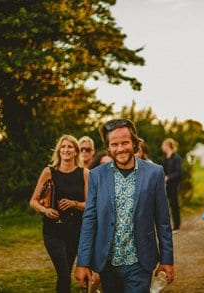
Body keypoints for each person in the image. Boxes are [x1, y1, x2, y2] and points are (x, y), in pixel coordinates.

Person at [74, 118, 174, 291]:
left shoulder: (154, 173)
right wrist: (82, 262)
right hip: (107, 263)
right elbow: (89, 219)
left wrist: (167, 260)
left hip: (140, 262)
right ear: (108, 147)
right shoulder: (97, 175)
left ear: (134, 143)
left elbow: (163, 221)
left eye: (125, 142)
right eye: (114, 144)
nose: (120, 148)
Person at [29, 135, 89, 293]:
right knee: (63, 273)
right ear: (58, 150)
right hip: (52, 230)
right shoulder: (48, 171)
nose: (66, 150)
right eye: (63, 147)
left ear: (76, 151)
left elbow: (91, 205)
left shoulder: (84, 173)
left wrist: (74, 204)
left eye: (70, 147)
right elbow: (33, 201)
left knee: (66, 273)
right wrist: (46, 210)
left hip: (75, 229)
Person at [161, 138, 183, 232]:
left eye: (163, 145)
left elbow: (179, 172)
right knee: (165, 206)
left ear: (167, 146)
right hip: (165, 185)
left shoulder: (176, 157)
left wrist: (168, 177)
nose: (162, 147)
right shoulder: (165, 157)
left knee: (174, 205)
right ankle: (167, 225)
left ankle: (177, 225)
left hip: (173, 184)